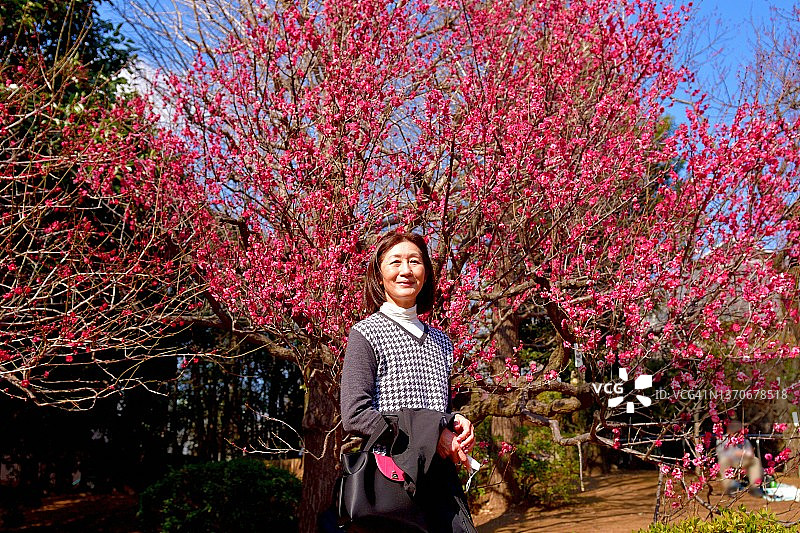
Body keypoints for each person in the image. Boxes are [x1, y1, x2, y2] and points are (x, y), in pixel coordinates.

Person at [340, 232, 477, 532]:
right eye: (395, 262)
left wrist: (454, 423)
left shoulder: (442, 341)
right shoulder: (365, 334)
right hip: (391, 480)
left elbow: (438, 408)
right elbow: (355, 414)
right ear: (379, 275)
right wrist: (429, 434)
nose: (406, 270)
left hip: (439, 481)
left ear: (426, 273)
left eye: (414, 261)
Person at [716, 420, 764, 496]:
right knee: (723, 461)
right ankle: (730, 487)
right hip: (730, 461)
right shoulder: (722, 440)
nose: (737, 434)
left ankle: (755, 487)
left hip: (743, 461)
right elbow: (720, 454)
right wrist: (734, 453)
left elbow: (750, 453)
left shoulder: (745, 441)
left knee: (755, 460)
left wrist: (745, 454)